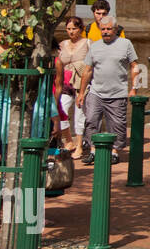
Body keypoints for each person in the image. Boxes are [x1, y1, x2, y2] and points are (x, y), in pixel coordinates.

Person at [79, 16, 140, 165]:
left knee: (117, 124)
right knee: (91, 120)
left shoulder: (125, 44)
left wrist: (134, 88)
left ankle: (114, 152)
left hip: (117, 93)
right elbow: (87, 70)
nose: (105, 32)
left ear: (115, 29)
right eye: (103, 29)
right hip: (96, 92)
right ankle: (93, 150)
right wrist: (81, 93)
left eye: (108, 29)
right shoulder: (95, 46)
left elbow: (135, 67)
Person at [53, 17, 91, 157]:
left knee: (79, 113)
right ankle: (68, 140)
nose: (71, 32)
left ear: (80, 29)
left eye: (74, 29)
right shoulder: (63, 44)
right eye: (68, 29)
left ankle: (80, 145)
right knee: (60, 108)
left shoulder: (87, 43)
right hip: (65, 82)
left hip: (81, 83)